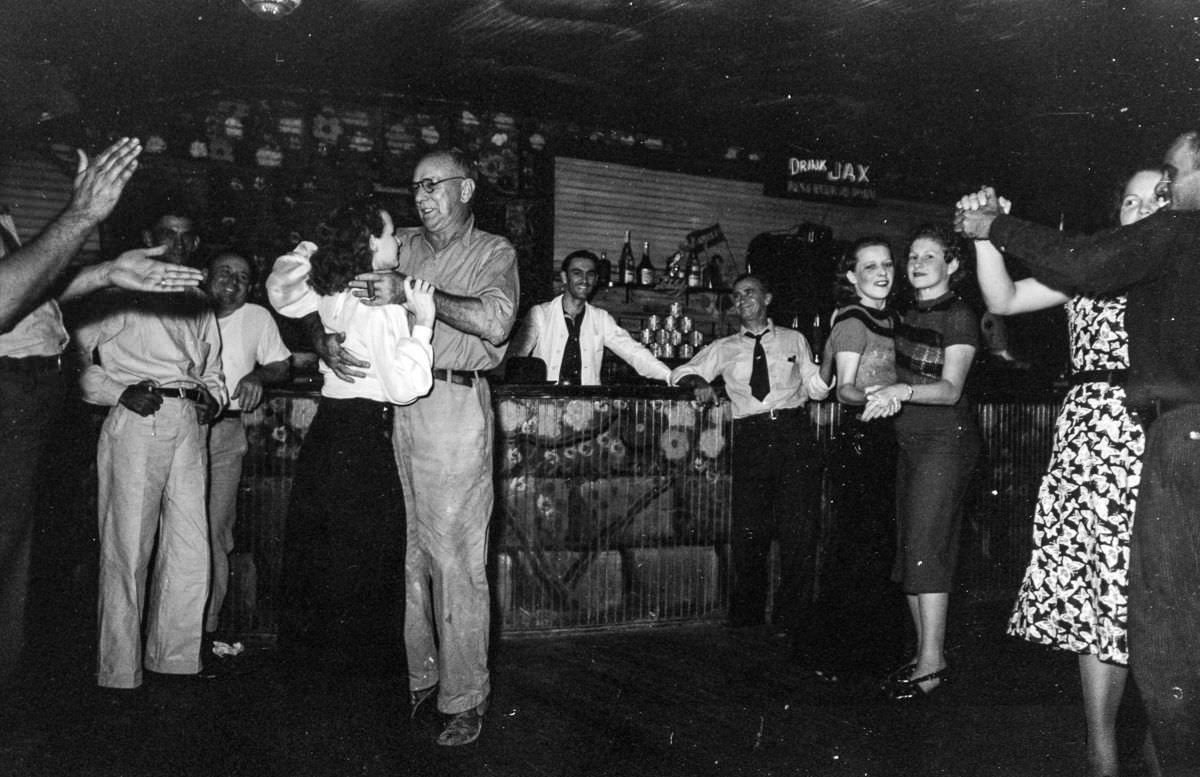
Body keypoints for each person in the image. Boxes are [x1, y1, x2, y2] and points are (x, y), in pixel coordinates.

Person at [956, 130, 1200, 776]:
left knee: (1154, 596)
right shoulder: (1087, 267)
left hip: (1152, 434)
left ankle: (1162, 742)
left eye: (1158, 198)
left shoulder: (1174, 260)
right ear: (1116, 210)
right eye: (1131, 200)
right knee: (1099, 598)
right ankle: (1103, 748)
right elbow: (1003, 299)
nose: (1143, 209)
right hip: (1092, 436)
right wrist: (984, 238)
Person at [0, 138, 204, 688]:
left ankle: (174, 661)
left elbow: (30, 300)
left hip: (29, 403)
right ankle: (117, 672)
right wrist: (83, 214)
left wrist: (106, 272)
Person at [330, 151, 519, 747]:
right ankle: (421, 680)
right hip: (387, 408)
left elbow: (495, 323)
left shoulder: (495, 252)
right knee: (403, 554)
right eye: (415, 186)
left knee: (455, 561)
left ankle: (464, 697)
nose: (421, 195)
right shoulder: (398, 242)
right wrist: (324, 340)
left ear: (466, 188)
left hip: (452, 407)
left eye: (434, 184)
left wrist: (415, 294)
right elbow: (324, 286)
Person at [267, 201, 435, 650]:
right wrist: (425, 324)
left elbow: (280, 287)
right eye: (389, 233)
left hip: (329, 436)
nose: (398, 240)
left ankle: (321, 696)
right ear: (368, 243)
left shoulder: (333, 292)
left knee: (323, 571)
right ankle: (363, 708)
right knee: (366, 575)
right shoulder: (380, 304)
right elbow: (405, 388)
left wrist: (321, 243)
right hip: (364, 443)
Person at [75, 208, 227, 689]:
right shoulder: (121, 294)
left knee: (190, 547)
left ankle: (175, 659)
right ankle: (119, 670)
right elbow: (72, 354)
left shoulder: (199, 300)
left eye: (186, 238)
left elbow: (213, 368)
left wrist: (211, 396)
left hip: (187, 422)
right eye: (168, 237)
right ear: (149, 238)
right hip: (139, 416)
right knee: (128, 546)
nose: (178, 246)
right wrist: (114, 390)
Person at [671, 273, 830, 642]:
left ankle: (793, 616)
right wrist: (697, 383)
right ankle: (746, 615)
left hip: (793, 433)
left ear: (768, 297)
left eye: (750, 293)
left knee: (799, 530)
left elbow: (814, 387)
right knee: (749, 530)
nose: (743, 300)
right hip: (751, 437)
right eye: (737, 296)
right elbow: (682, 370)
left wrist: (834, 363)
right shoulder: (724, 346)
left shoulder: (794, 339)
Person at [863, 223, 981, 701]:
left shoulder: (959, 315)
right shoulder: (907, 311)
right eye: (912, 254)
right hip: (910, 442)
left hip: (946, 443)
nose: (916, 263)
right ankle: (923, 653)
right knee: (910, 550)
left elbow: (951, 389)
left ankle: (932, 661)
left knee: (927, 550)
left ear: (952, 265)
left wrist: (901, 390)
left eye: (929, 256)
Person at [814, 237, 903, 679]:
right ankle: (842, 652)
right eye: (870, 267)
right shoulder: (852, 320)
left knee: (878, 544)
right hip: (861, 436)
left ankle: (867, 648)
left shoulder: (891, 317)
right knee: (858, 544)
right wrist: (881, 395)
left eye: (887, 264)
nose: (882, 272)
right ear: (852, 277)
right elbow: (844, 388)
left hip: (886, 434)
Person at [203, 251, 291, 646]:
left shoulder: (257, 317)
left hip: (225, 430)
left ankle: (204, 632)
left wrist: (258, 374)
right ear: (206, 277)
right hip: (177, 426)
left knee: (214, 532)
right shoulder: (184, 309)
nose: (232, 282)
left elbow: (281, 364)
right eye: (224, 273)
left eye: (242, 276)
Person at [508, 249, 670, 385]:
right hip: (546, 406)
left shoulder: (601, 318)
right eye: (577, 273)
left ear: (596, 280)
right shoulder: (540, 314)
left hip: (587, 408)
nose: (584, 280)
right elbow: (516, 359)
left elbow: (634, 352)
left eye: (590, 274)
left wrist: (670, 376)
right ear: (565, 277)